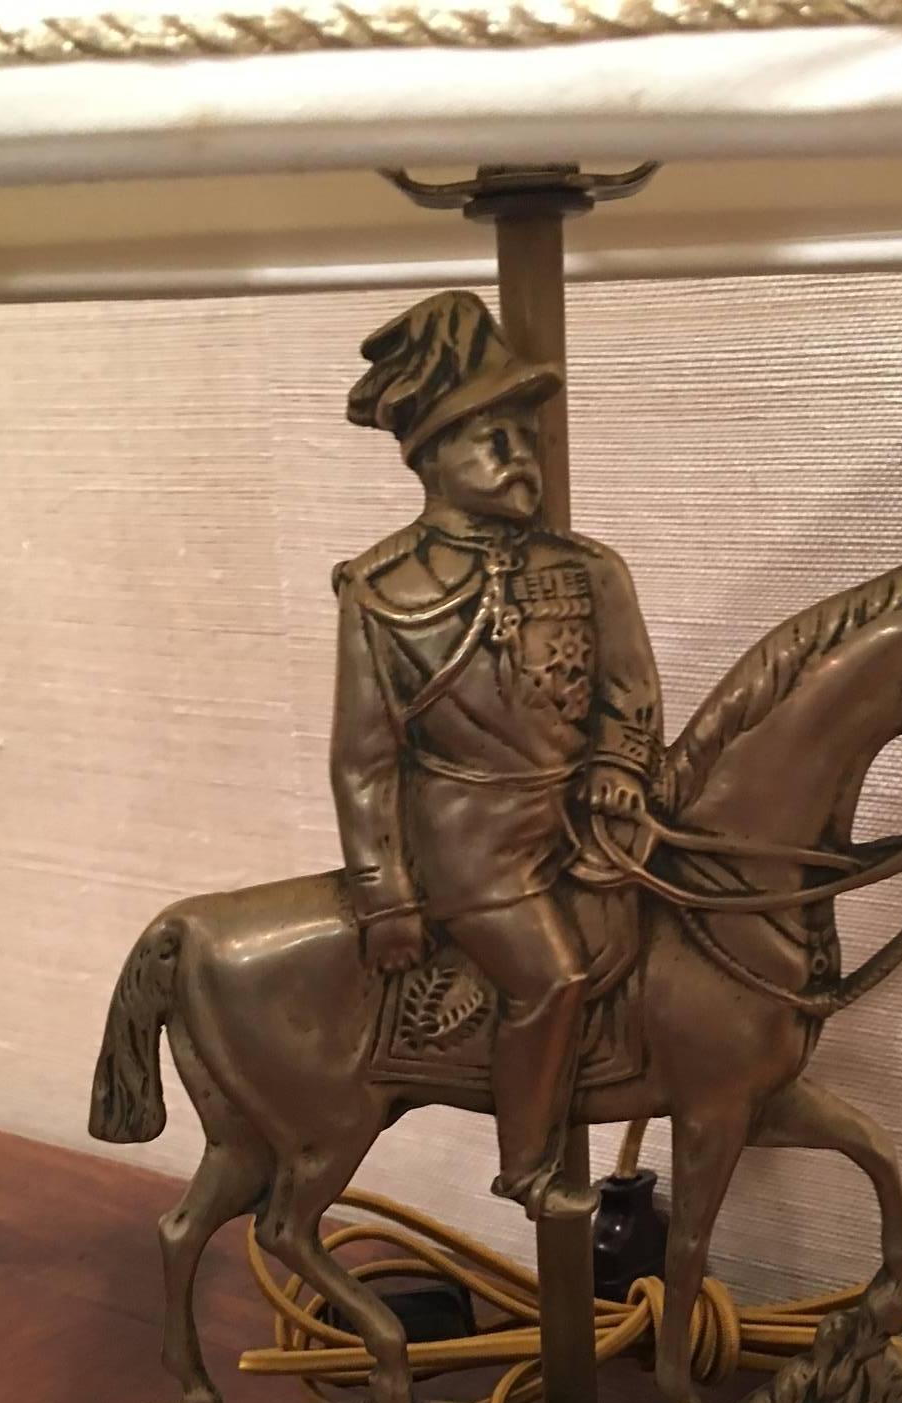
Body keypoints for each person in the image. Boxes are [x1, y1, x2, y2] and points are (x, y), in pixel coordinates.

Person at [331, 290, 663, 1221]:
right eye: (493, 438)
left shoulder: (590, 569)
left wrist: (620, 766)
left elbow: (629, 691)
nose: (524, 456)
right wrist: (386, 894)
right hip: (470, 844)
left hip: (585, 821)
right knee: (550, 976)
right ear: (431, 454)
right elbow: (363, 760)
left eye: (527, 432)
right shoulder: (381, 591)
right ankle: (528, 1170)